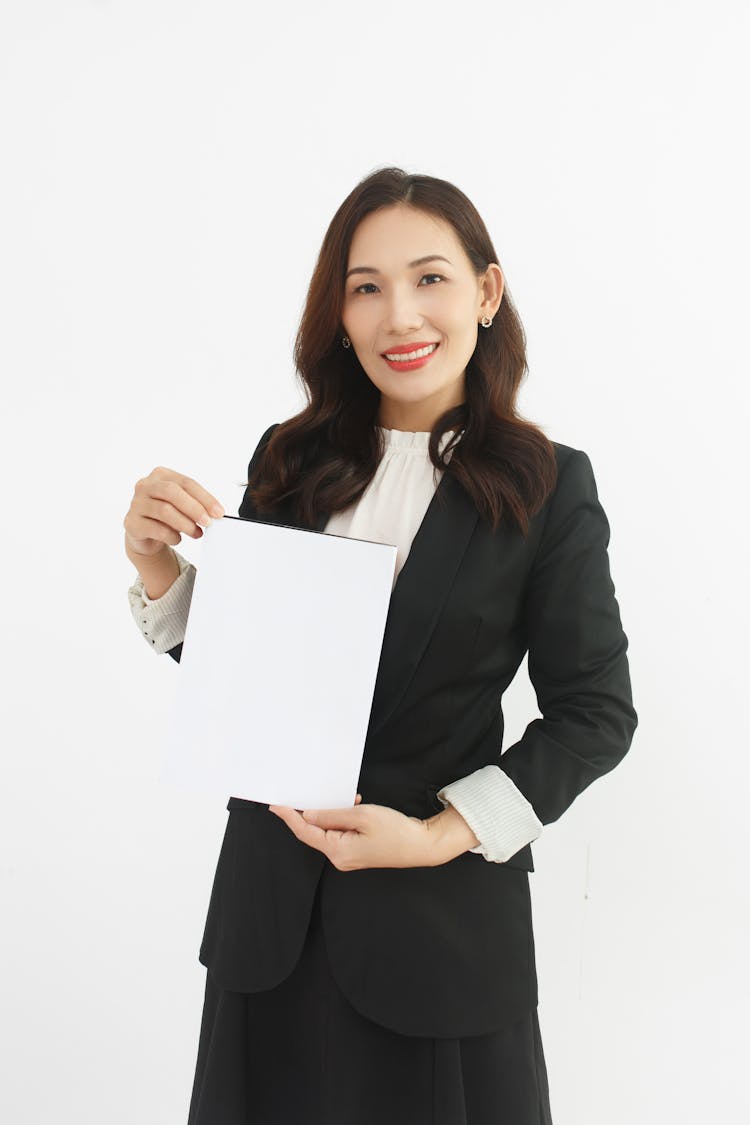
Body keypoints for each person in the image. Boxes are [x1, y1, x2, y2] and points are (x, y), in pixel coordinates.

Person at [123, 166, 637, 1125]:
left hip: (441, 941)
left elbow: (596, 715)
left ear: (486, 293)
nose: (400, 315)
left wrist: (439, 835)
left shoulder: (548, 485)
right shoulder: (290, 456)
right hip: (271, 931)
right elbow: (256, 677)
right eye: (366, 287)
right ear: (341, 314)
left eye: (430, 278)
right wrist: (158, 568)